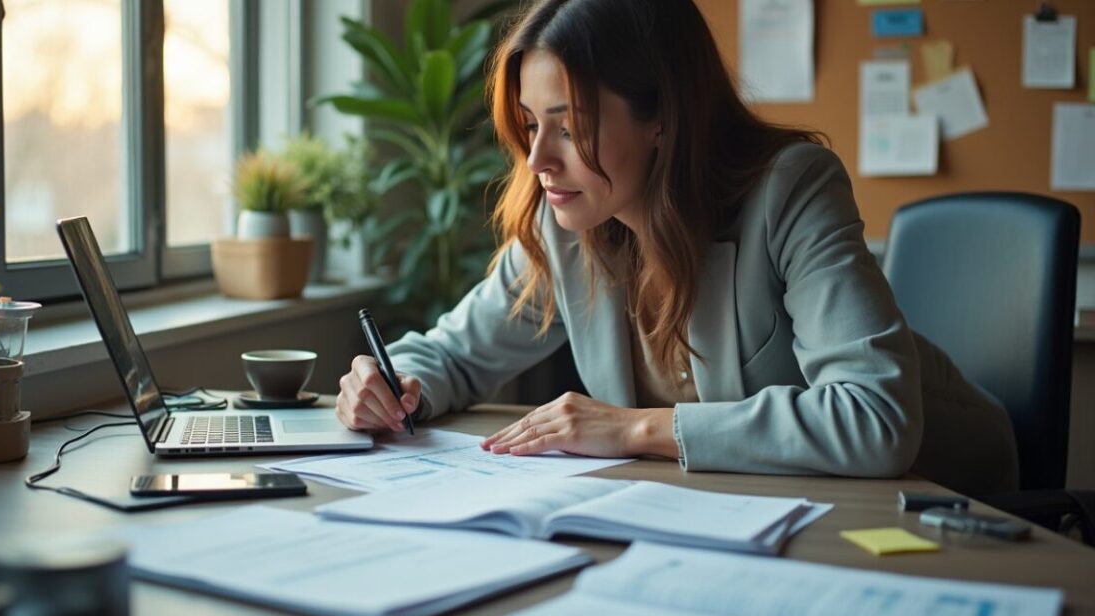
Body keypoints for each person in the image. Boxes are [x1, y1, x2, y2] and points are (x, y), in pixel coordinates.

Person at [335, 0, 1018, 496]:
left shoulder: (791, 192)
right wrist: (393, 387)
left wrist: (633, 429)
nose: (538, 159)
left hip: (945, 505)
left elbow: (875, 419)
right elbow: (453, 352)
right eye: (527, 125)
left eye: (568, 127)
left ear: (661, 116)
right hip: (764, 508)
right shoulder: (571, 220)